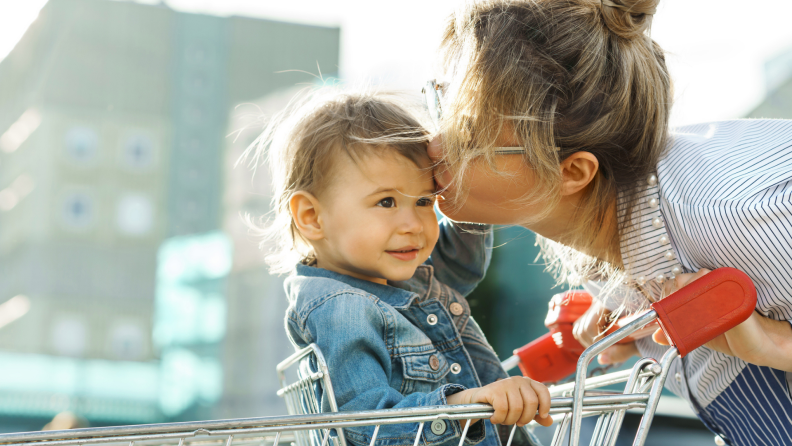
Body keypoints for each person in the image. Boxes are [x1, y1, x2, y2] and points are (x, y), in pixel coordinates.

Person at [425, 0, 792, 445]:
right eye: (441, 104)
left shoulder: (739, 214)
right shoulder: (600, 226)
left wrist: (776, 344)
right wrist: (632, 311)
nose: (433, 143)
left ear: (572, 172)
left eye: (469, 135)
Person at [247, 89, 552, 446]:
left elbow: (461, 264)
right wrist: (461, 405)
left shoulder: (392, 275)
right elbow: (365, 422)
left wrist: (471, 187)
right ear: (312, 217)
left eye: (424, 200)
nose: (414, 224)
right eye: (387, 201)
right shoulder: (340, 307)